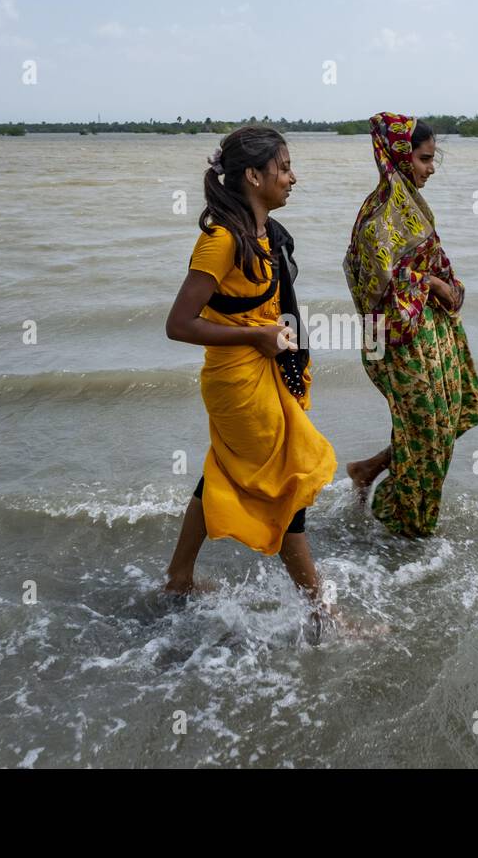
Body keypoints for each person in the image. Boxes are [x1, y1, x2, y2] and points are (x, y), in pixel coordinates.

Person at [162, 126, 337, 618]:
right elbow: (178, 324)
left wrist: (285, 354)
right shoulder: (221, 240)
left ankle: (178, 580)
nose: (292, 178)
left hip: (264, 375)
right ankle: (320, 610)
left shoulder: (266, 235)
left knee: (219, 470)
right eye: (283, 168)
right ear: (253, 176)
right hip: (239, 383)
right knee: (289, 483)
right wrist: (253, 337)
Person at [343, 113, 478, 538]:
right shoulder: (379, 216)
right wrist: (433, 283)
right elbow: (374, 287)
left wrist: (439, 285)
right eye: (424, 159)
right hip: (399, 341)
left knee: (444, 422)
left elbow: (433, 268)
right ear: (402, 158)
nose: (430, 168)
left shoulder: (413, 209)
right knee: (426, 431)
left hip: (433, 333)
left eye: (432, 159)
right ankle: (410, 532)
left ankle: (368, 472)